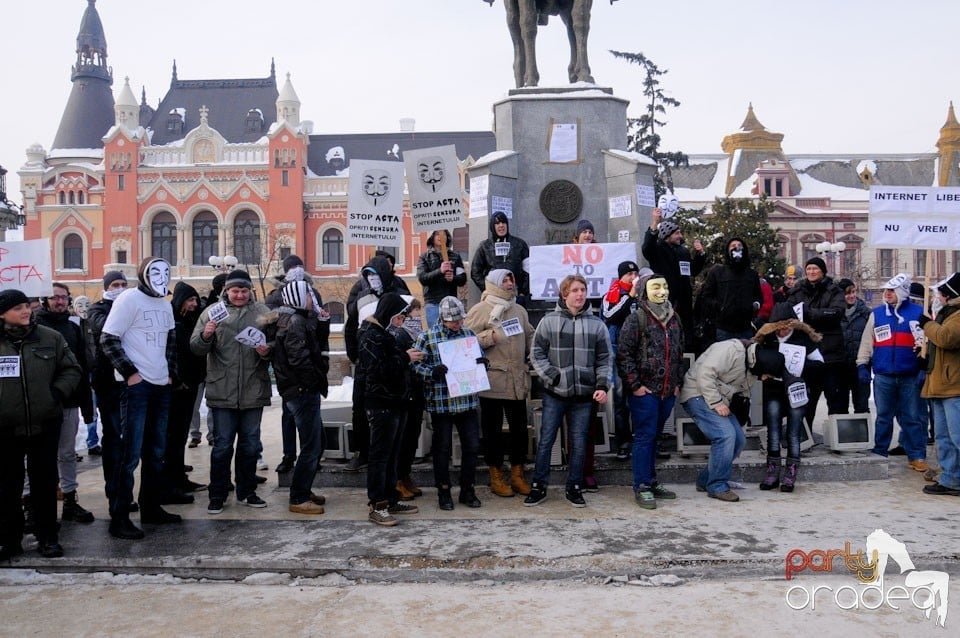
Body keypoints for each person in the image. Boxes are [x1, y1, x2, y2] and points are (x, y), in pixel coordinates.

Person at [101, 258, 179, 539]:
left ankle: (151, 507)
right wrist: (130, 373)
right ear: (144, 275)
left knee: (156, 452)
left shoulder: (166, 304)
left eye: (165, 272)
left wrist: (170, 373)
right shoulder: (128, 300)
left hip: (160, 385)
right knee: (129, 454)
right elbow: (108, 339)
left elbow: (171, 340)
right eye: (155, 272)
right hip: (136, 388)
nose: (161, 276)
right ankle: (119, 516)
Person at [0, 289, 82, 560]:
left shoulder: (50, 337)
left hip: (45, 423)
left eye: (27, 305)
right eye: (18, 308)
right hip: (6, 427)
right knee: (7, 486)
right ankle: (9, 540)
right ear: (2, 313)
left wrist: (55, 394)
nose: (26, 311)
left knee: (45, 483)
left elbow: (71, 369)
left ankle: (48, 538)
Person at [190, 269, 273, 515]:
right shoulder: (211, 314)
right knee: (223, 446)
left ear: (250, 291)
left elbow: (278, 344)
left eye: (244, 291)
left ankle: (247, 491)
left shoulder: (262, 313)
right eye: (235, 291)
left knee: (249, 445)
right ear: (226, 291)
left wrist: (266, 350)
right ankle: (218, 493)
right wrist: (206, 336)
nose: (239, 295)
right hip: (222, 389)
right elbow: (195, 347)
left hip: (253, 388)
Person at [525, 275, 611, 508]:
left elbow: (605, 359)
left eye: (583, 290)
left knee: (579, 442)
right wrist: (553, 376)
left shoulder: (597, 325)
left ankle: (574, 486)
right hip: (555, 394)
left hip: (584, 396)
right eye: (574, 290)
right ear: (564, 294)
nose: (580, 294)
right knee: (546, 441)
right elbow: (536, 353)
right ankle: (538, 486)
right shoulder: (548, 321)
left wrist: (602, 385)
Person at [679, 339, 784, 502]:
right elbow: (704, 375)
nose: (764, 379)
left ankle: (705, 481)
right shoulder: (731, 350)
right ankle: (717, 486)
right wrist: (717, 403)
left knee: (739, 440)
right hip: (697, 394)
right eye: (766, 375)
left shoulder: (752, 367)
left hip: (717, 399)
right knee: (725, 435)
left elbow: (741, 392)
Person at [464, 269, 535, 498]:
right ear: (494, 283)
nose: (509, 283)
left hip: (516, 381)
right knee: (492, 431)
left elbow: (530, 335)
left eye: (511, 279)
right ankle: (495, 475)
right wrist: (489, 337)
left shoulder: (519, 309)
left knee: (519, 432)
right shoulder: (480, 309)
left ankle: (517, 474)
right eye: (504, 280)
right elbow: (465, 341)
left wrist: (535, 350)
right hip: (492, 381)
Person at [616, 273, 683, 510]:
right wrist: (635, 385)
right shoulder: (637, 319)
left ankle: (652, 481)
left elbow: (678, 352)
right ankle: (641, 485)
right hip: (645, 392)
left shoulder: (674, 319)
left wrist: (677, 383)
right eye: (656, 287)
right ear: (645, 291)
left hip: (667, 392)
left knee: (655, 438)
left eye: (665, 286)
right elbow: (624, 355)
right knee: (644, 437)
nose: (662, 291)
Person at [412, 296, 483, 511]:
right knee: (441, 449)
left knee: (471, 447)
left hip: (467, 401)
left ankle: (467, 489)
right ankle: (443, 490)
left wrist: (482, 364)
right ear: (443, 319)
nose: (457, 324)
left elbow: (476, 359)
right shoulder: (428, 337)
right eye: (453, 321)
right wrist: (431, 372)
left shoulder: (469, 334)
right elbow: (414, 365)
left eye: (459, 320)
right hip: (441, 403)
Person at [359, 293, 423, 525]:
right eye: (398, 317)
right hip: (381, 403)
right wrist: (405, 358)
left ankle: (391, 498)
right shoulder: (371, 336)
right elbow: (377, 370)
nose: (401, 321)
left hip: (396, 401)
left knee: (392, 454)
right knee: (380, 456)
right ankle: (377, 504)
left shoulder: (385, 334)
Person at [263, 254, 330, 475]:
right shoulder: (278, 297)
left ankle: (312, 459)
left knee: (311, 420)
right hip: (294, 374)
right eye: (294, 269)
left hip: (308, 362)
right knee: (290, 415)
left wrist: (323, 324)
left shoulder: (312, 293)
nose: (297, 272)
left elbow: (318, 332)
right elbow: (274, 331)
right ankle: (290, 456)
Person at [35, 282, 95, 524]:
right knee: (36, 455)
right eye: (54, 297)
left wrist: (87, 406)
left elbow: (80, 364)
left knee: (67, 453)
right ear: (44, 300)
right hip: (40, 402)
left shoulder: (73, 327)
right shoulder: (34, 326)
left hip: (68, 400)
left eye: (63, 297)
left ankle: (70, 499)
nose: (59, 302)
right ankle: (31, 504)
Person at [344, 253, 410, 471]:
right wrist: (353, 353)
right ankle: (362, 451)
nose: (372, 279)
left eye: (375, 275)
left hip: (391, 360)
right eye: (368, 275)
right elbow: (351, 324)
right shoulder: (361, 294)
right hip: (365, 362)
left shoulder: (399, 291)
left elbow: (408, 321)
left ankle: (396, 459)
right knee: (359, 408)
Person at [856, 274, 927, 470]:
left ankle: (916, 455)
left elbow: (926, 345)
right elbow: (867, 342)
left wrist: (924, 368)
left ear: (902, 292)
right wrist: (862, 364)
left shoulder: (919, 313)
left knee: (912, 417)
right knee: (884, 416)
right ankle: (880, 451)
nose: (886, 293)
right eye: (885, 290)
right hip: (883, 375)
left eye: (891, 290)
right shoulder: (876, 314)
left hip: (910, 376)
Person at [271, 280, 329, 516]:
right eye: (308, 296)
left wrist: (322, 321)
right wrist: (314, 380)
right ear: (296, 297)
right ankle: (299, 496)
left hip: (299, 390)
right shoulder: (294, 322)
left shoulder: (296, 319)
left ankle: (304, 488)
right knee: (311, 446)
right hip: (302, 391)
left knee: (317, 441)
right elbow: (299, 359)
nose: (311, 299)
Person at [752, 304, 824, 492]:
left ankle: (791, 472)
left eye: (788, 326)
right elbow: (754, 361)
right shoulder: (767, 340)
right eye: (780, 327)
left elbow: (820, 364)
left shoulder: (803, 339)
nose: (784, 330)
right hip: (774, 390)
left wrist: (801, 368)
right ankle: (772, 471)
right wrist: (762, 373)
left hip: (796, 390)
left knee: (793, 431)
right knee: (773, 430)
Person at [86, 271, 128, 524]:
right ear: (106, 287)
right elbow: (105, 327)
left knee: (128, 440)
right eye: (115, 285)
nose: (120, 288)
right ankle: (113, 492)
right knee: (113, 438)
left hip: (129, 382)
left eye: (123, 284)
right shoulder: (98, 309)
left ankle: (124, 490)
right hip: (107, 383)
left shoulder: (130, 304)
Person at [785, 257, 847, 428]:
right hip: (807, 353)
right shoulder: (798, 291)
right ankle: (805, 438)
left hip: (831, 353)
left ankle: (838, 437)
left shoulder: (834, 290)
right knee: (807, 400)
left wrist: (810, 313)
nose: (811, 272)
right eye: (809, 268)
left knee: (835, 400)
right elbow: (788, 312)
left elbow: (836, 313)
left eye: (815, 269)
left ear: (823, 271)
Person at [164, 282, 207, 500]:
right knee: (172, 436)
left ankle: (179, 477)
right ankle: (170, 483)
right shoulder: (171, 321)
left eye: (195, 300)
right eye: (189, 300)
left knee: (180, 436)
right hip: (176, 387)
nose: (193, 304)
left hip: (190, 384)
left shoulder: (192, 320)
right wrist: (177, 380)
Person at [919, 272, 960, 496]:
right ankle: (951, 479)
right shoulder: (946, 314)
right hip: (941, 384)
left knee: (958, 437)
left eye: (941, 293)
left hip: (954, 385)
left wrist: (928, 325)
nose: (938, 297)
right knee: (944, 438)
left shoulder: (957, 315)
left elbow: (947, 338)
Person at [601, 261, 646, 459]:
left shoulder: (642, 295)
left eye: (635, 273)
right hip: (619, 353)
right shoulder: (611, 295)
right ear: (621, 277)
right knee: (621, 401)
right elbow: (610, 316)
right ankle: (623, 443)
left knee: (641, 399)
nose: (633, 277)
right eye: (629, 274)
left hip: (640, 354)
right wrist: (629, 296)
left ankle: (643, 441)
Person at [641, 206, 705, 343]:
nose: (680, 236)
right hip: (665, 302)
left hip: (684, 303)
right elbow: (647, 248)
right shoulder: (658, 250)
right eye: (677, 233)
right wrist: (654, 223)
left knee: (686, 337)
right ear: (667, 235)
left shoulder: (683, 251)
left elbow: (692, 271)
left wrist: (700, 255)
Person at [393, 298, 426, 501]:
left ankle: (405, 475)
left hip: (417, 391)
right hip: (405, 393)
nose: (418, 314)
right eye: (415, 310)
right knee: (403, 439)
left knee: (412, 438)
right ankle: (397, 479)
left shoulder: (418, 334)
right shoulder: (399, 335)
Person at [698, 238, 763, 342]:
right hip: (723, 328)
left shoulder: (752, 274)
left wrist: (755, 305)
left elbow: (758, 296)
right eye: (733, 246)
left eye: (739, 245)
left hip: (745, 328)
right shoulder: (717, 272)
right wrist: (719, 307)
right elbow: (706, 296)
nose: (737, 248)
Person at [470, 211, 531, 304]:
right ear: (492, 226)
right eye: (497, 223)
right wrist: (489, 288)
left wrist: (523, 293)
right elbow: (475, 272)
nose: (501, 225)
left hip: (515, 295)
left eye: (503, 222)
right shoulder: (485, 246)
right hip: (493, 297)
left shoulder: (520, 244)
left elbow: (528, 270)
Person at [417, 229, 467, 327]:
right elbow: (422, 278)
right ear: (432, 238)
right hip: (433, 302)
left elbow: (462, 279)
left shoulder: (455, 256)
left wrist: (453, 278)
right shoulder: (425, 257)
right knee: (436, 334)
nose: (440, 237)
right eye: (437, 234)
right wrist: (440, 271)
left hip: (451, 302)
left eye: (444, 234)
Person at [838, 277, 871, 414]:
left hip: (860, 366)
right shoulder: (835, 314)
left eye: (853, 292)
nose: (851, 296)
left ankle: (862, 435)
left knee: (862, 405)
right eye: (847, 293)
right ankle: (843, 435)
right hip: (841, 366)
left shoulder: (866, 313)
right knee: (840, 406)